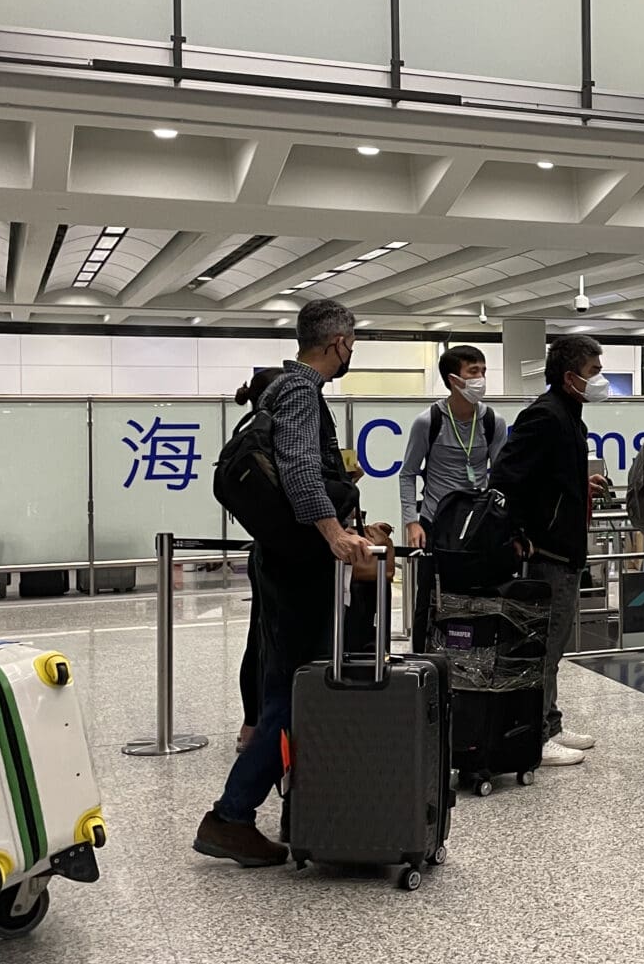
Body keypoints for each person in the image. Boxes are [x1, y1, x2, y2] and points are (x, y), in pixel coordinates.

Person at [195, 298, 370, 868]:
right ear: (339, 342)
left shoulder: (281, 390)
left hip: (281, 557)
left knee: (284, 688)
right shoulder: (299, 391)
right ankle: (231, 815)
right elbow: (296, 468)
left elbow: (302, 466)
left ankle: (254, 809)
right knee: (301, 692)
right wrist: (333, 534)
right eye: (352, 341)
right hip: (298, 564)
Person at [488, 334, 610, 768]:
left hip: (565, 547)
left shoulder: (570, 416)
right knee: (542, 646)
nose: (600, 380)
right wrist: (521, 531)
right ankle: (535, 734)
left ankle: (550, 722)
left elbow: (548, 478)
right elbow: (505, 477)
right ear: (569, 376)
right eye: (594, 372)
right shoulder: (545, 416)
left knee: (554, 645)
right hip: (548, 553)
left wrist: (582, 485)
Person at [399, 344, 507, 643]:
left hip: (477, 525)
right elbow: (408, 473)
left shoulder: (492, 421)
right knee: (428, 597)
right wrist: (412, 521)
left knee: (475, 595)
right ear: (452, 379)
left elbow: (500, 476)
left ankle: (472, 653)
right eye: (473, 372)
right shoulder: (428, 421)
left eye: (483, 371)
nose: (481, 379)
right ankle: (422, 658)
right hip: (436, 521)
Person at [232, 367, 284, 755]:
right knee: (270, 639)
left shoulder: (253, 433)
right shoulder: (277, 437)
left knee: (258, 636)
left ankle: (253, 722)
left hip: (262, 549)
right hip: (282, 553)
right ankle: (261, 723)